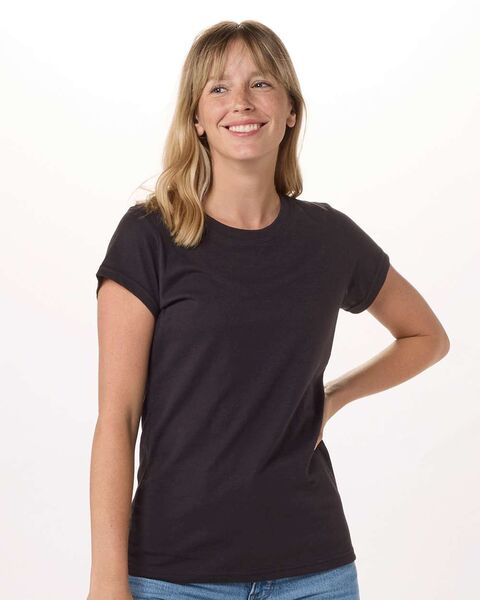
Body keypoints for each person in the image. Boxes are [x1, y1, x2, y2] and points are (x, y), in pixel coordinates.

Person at [87, 20, 450, 600]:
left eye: (260, 84)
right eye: (219, 88)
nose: (241, 102)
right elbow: (117, 420)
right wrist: (107, 582)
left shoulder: (329, 239)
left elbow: (427, 337)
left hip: (315, 571)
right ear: (196, 119)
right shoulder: (149, 237)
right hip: (175, 577)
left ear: (290, 111)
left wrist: (335, 396)